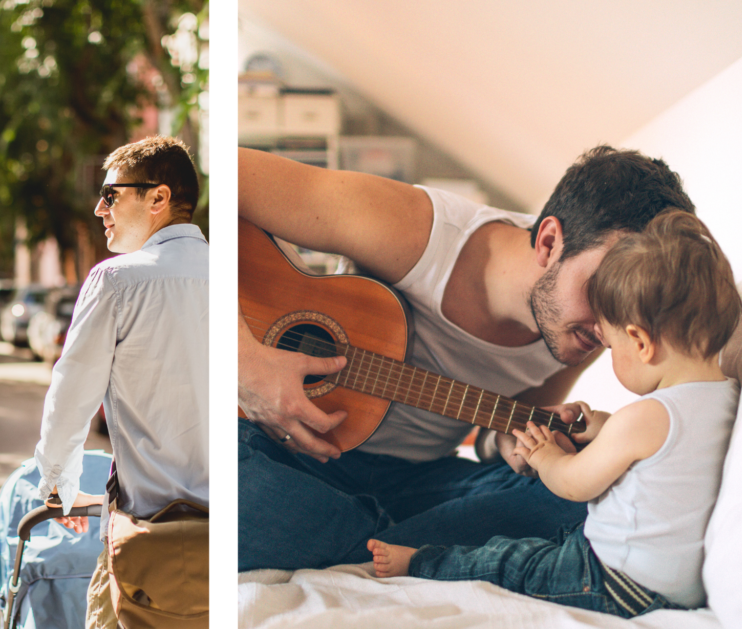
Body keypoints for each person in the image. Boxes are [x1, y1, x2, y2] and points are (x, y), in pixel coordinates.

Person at [238, 145, 696, 571]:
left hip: (416, 480)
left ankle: (357, 543)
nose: (611, 326)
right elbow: (223, 174)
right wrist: (244, 362)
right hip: (275, 449)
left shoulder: (591, 330)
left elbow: (490, 438)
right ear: (550, 241)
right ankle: (397, 548)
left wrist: (514, 444)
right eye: (603, 288)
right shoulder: (415, 230)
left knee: (594, 491)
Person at [368, 210, 742, 618]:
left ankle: (420, 563)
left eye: (611, 345)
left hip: (609, 578)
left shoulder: (648, 417)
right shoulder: (725, 395)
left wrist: (549, 457)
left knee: (510, 560)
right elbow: (659, 451)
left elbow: (574, 484)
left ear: (640, 342)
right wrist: (597, 422)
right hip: (673, 589)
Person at [34, 136, 209, 628]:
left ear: (158, 198)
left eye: (111, 194)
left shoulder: (117, 281)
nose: (98, 208)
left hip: (148, 544)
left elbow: (72, 392)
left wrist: (57, 485)